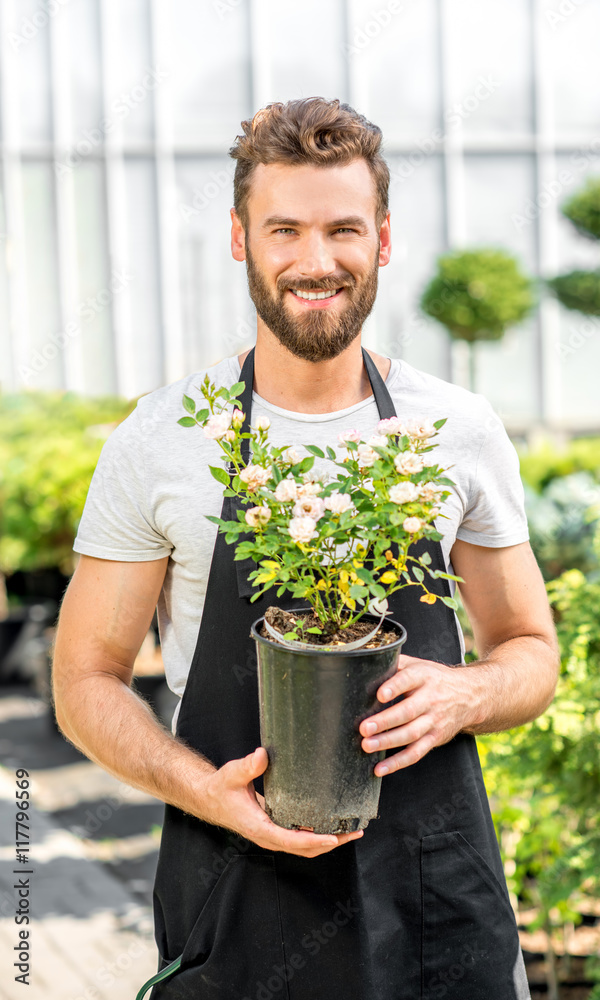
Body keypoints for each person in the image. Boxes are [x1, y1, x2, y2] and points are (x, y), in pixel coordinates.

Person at [53, 97, 559, 1000]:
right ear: (243, 238)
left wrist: (468, 692)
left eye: (343, 229)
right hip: (237, 892)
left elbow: (532, 651)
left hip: (435, 894)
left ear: (384, 239)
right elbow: (84, 678)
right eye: (283, 228)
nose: (314, 261)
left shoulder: (456, 429)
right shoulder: (164, 436)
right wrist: (199, 786)